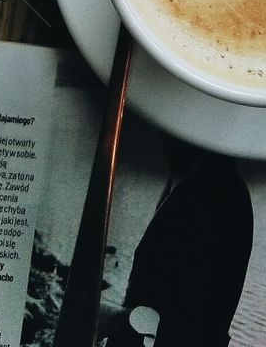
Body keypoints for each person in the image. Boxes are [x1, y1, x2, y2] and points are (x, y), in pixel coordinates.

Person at [105, 137, 254, 347]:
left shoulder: (219, 194)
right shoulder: (197, 180)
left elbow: (192, 322)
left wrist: (118, 318)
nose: (163, 143)